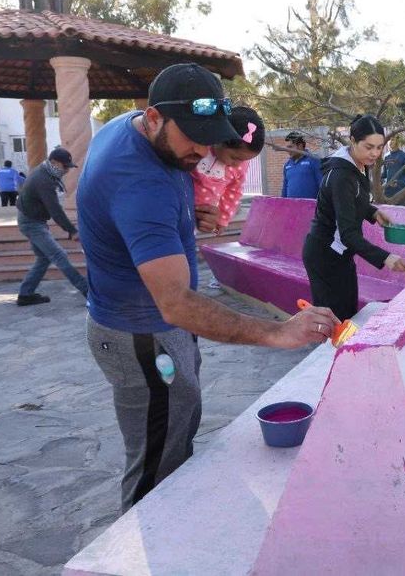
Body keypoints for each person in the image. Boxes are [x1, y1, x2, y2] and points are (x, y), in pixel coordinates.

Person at [77, 63, 338, 513]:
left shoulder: (135, 131)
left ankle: (175, 517)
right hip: (140, 333)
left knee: (180, 418)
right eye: (193, 136)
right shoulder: (140, 184)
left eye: (209, 134)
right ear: (155, 116)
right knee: (156, 458)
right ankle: (144, 543)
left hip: (155, 326)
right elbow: (176, 303)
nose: (202, 150)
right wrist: (276, 332)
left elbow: (143, 212)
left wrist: (186, 217)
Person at [302, 114, 405, 321]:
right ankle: (328, 353)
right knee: (334, 321)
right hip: (325, 255)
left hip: (340, 254)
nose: (375, 153)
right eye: (369, 147)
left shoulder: (357, 164)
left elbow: (351, 201)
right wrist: (386, 258)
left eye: (379, 147)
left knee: (347, 316)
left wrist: (372, 212)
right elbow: (347, 234)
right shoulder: (342, 176)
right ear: (352, 141)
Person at [15, 148, 88, 305]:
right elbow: (55, 210)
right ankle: (88, 292)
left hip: (33, 220)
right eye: (65, 166)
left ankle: (25, 295)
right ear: (54, 163)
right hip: (31, 223)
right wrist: (72, 230)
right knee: (59, 255)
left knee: (43, 258)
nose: (67, 170)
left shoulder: (45, 171)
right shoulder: (44, 180)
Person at [192, 105, 265, 236]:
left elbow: (234, 191)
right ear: (220, 139)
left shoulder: (240, 166)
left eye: (243, 160)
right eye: (234, 158)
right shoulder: (200, 146)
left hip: (202, 219)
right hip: (180, 207)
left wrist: (222, 219)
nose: (237, 165)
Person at [281, 131, 322, 199]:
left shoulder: (314, 160)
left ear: (300, 146)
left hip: (311, 207)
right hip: (292, 207)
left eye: (290, 147)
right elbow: (285, 188)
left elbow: (322, 185)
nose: (287, 150)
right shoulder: (287, 165)